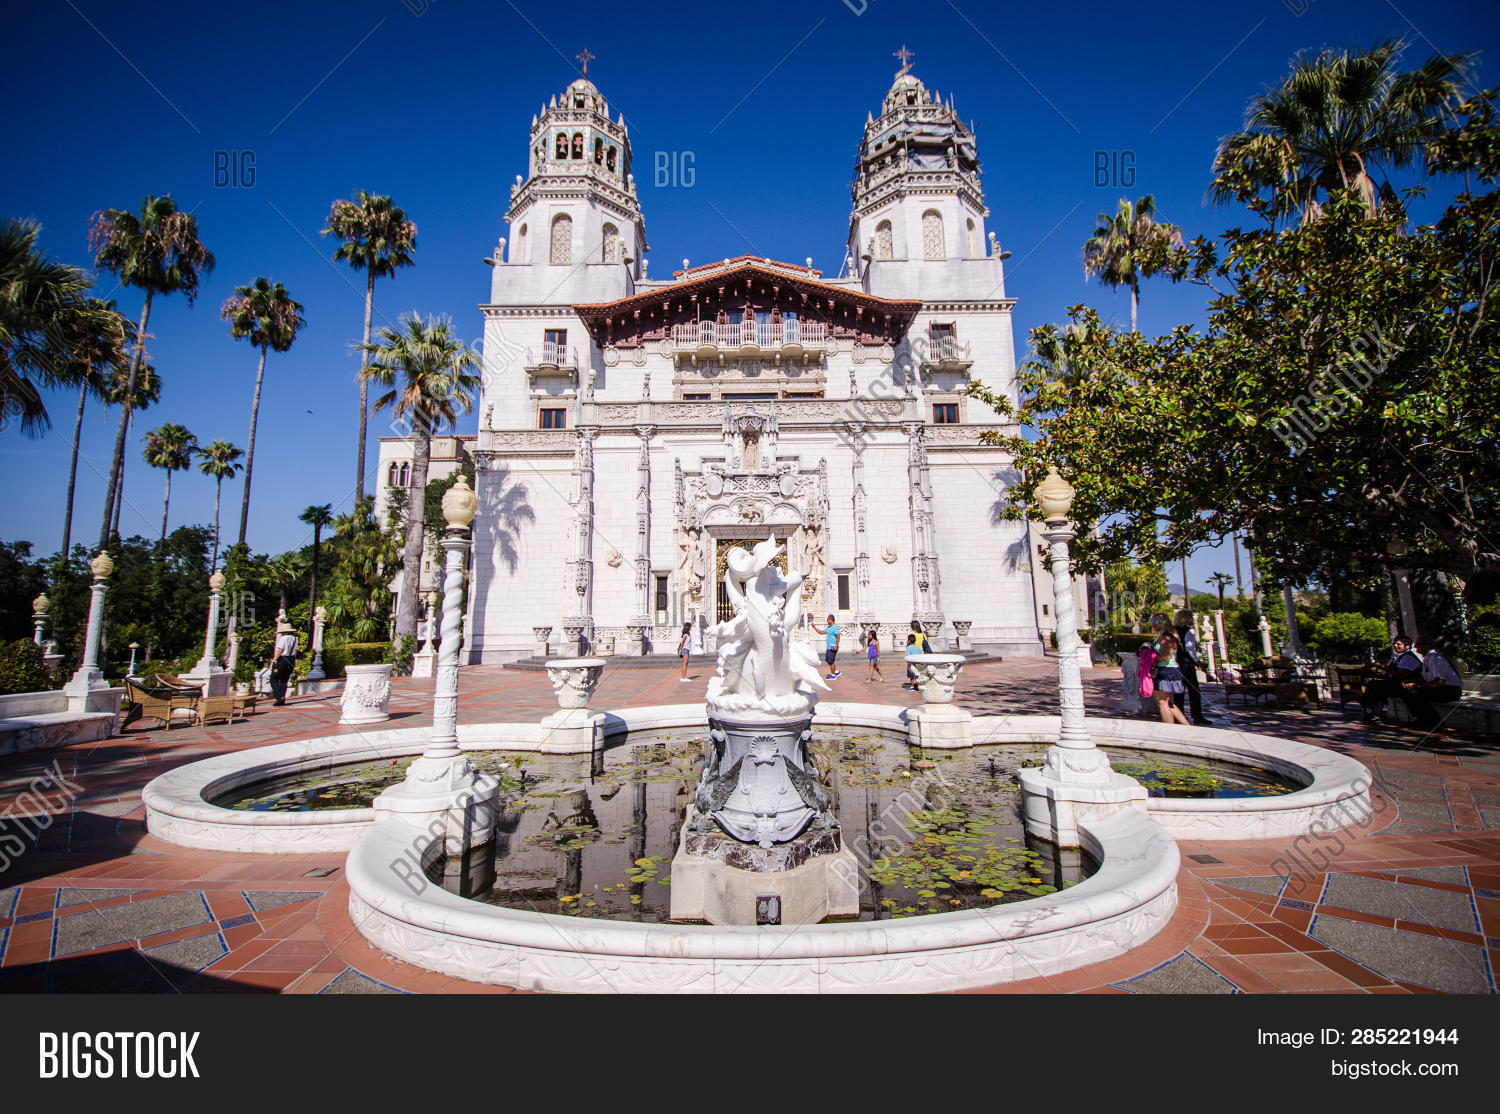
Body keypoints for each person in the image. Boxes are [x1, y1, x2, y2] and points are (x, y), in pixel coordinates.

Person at [1403, 637, 1463, 728]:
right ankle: (1424, 719)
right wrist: (1412, 682)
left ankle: (1432, 721)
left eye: (1418, 644)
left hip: (1451, 690)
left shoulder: (1435, 659)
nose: (1415, 646)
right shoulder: (1427, 658)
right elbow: (1427, 678)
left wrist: (1417, 685)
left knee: (1415, 694)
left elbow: (1440, 682)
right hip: (1441, 688)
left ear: (1427, 646)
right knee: (1408, 691)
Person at [1361, 636, 1424, 721]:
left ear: (1407, 646)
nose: (1396, 646)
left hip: (1404, 685)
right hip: (1396, 683)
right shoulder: (1397, 657)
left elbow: (1402, 675)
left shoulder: (1408, 658)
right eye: (1395, 644)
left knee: (1376, 686)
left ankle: (1375, 713)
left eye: (1399, 644)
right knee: (1373, 684)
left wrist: (1386, 668)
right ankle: (1373, 711)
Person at [1173, 608, 1212, 726]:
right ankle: (1197, 716)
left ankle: (1179, 717)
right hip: (1186, 664)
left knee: (1179, 692)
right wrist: (1198, 662)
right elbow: (1190, 650)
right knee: (1194, 690)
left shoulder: (1173, 631)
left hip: (1177, 663)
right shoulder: (1189, 631)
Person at [1151, 631, 1192, 725]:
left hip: (1166, 671)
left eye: (1156, 621)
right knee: (1167, 702)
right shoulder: (1163, 637)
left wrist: (1149, 656)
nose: (1152, 624)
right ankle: (1187, 726)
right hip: (1166, 670)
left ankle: (1169, 730)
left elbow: (1166, 657)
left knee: (1162, 702)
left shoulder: (1166, 638)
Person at [269, 622, 298, 706]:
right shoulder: (295, 639)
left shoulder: (283, 639)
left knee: (273, 679)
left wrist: (273, 661)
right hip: (291, 659)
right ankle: (282, 698)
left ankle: (279, 697)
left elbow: (280, 651)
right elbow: (295, 651)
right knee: (284, 680)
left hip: (283, 660)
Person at [812, 614, 841, 679]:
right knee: (829, 660)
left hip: (833, 647)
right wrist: (814, 627)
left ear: (831, 620)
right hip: (829, 647)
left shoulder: (835, 627)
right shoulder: (828, 628)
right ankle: (836, 672)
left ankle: (833, 675)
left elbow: (838, 637)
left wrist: (836, 645)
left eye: (828, 619)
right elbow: (821, 632)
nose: (827, 621)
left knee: (831, 661)